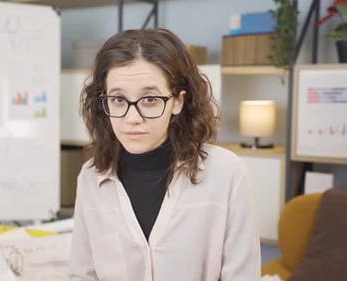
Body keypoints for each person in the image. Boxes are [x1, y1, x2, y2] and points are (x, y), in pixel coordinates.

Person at [69, 28, 261, 281]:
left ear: (178, 101)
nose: (132, 118)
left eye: (149, 99)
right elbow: (83, 275)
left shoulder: (226, 173)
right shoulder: (91, 177)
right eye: (118, 99)